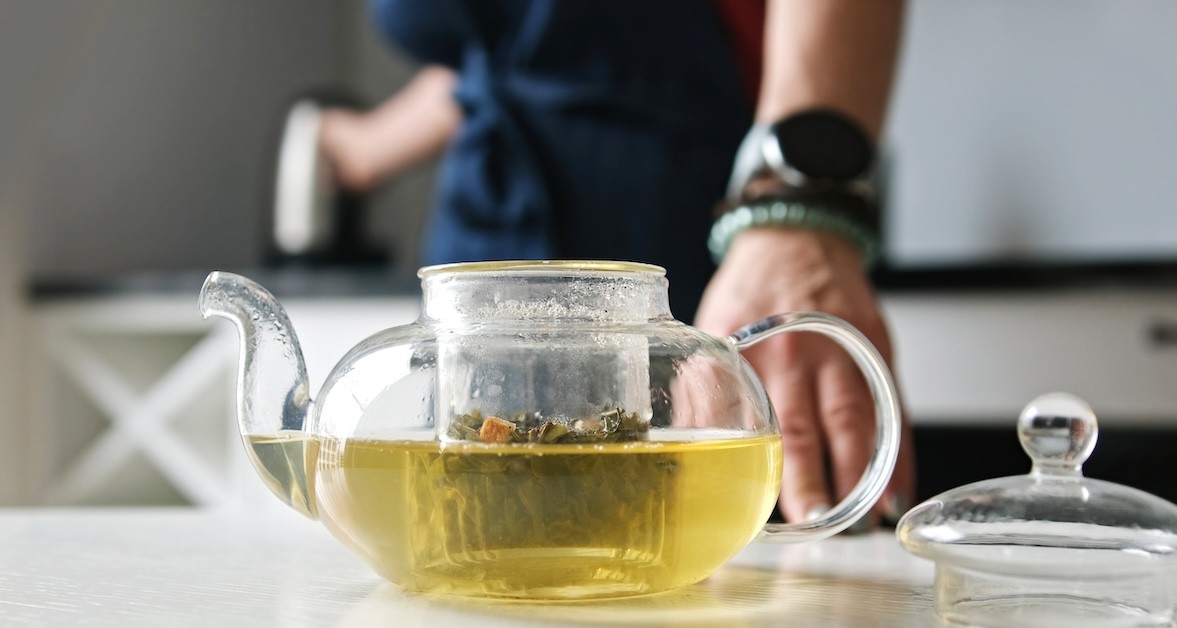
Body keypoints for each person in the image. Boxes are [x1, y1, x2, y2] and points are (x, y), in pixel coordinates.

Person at [320, 0, 915, 526]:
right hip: (481, 241)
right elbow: (510, 54)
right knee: (477, 525)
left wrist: (797, 200)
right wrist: (369, 145)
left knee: (683, 539)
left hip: (669, 217)